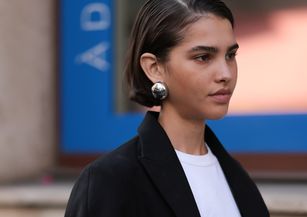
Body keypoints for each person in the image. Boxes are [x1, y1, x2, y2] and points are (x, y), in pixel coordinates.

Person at [64, 0, 270, 216]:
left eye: (230, 55)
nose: (225, 74)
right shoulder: (111, 181)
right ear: (154, 68)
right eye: (203, 57)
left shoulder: (237, 178)